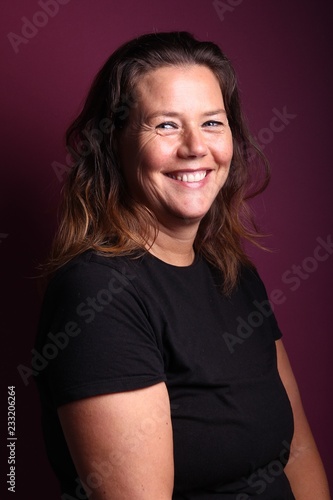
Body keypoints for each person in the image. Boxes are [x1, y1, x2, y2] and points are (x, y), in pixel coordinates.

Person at [34, 31, 330, 499]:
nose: (196, 147)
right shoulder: (97, 295)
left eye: (212, 122)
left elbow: (299, 451)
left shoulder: (235, 275)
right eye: (166, 125)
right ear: (115, 144)